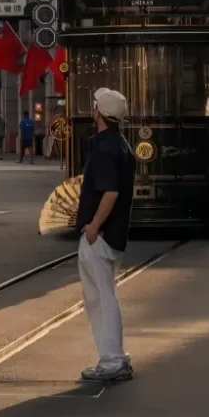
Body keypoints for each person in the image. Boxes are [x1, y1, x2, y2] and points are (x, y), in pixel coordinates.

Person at [76, 87, 136, 383]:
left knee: (100, 299)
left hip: (99, 237)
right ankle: (115, 357)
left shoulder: (103, 147)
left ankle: (112, 361)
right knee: (104, 296)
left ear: (98, 112)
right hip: (114, 235)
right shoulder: (121, 144)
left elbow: (110, 192)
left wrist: (92, 227)